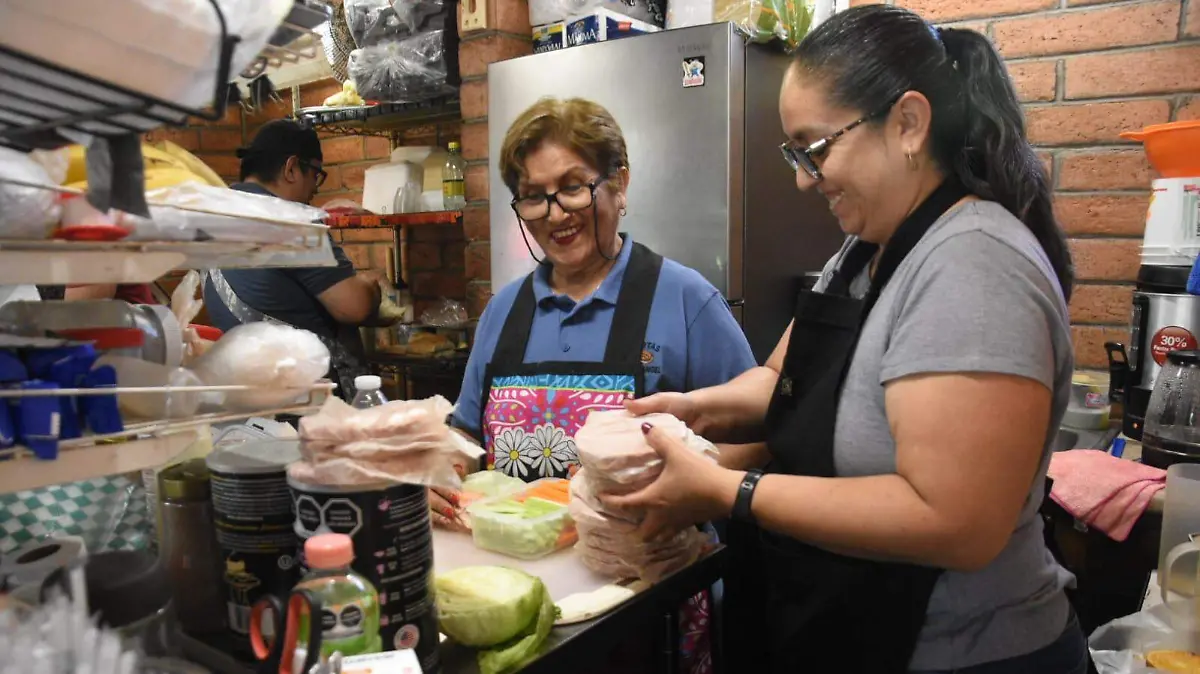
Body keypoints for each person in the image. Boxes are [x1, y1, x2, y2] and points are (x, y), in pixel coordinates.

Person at [613, 6, 1084, 674]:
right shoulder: (864, 251)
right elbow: (784, 380)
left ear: (909, 123)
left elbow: (955, 520)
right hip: (850, 634)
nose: (804, 178)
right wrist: (692, 411)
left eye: (816, 149)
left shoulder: (975, 263)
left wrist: (728, 491)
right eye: (794, 153)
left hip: (965, 656)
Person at [443, 97, 756, 673]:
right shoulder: (503, 312)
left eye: (573, 186)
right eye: (534, 196)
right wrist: (435, 474)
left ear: (620, 184)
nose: (555, 213)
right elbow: (465, 439)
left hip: (648, 612)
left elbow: (765, 446)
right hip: (522, 607)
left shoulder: (684, 301)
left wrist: (690, 483)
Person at [202, 119, 398, 399]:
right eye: (316, 174)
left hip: (243, 393)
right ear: (292, 168)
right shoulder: (291, 222)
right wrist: (372, 285)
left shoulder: (213, 217)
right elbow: (353, 307)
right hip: (306, 400)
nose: (315, 189)